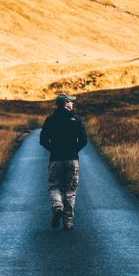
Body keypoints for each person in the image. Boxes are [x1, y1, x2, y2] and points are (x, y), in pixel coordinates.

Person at [39, 93, 88, 230]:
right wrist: (74, 150)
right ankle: (68, 222)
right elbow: (84, 140)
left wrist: (53, 149)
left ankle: (57, 206)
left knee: (54, 186)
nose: (72, 104)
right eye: (71, 102)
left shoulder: (50, 120)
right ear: (66, 104)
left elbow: (43, 140)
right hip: (72, 159)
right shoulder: (76, 119)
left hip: (55, 159)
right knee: (70, 190)